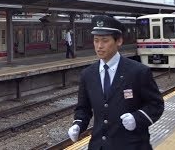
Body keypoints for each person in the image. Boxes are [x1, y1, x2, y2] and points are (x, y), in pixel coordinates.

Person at [67, 15, 164, 150]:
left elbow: (156, 104)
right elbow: (83, 108)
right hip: (99, 146)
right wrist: (78, 124)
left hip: (132, 145)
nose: (99, 46)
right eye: (96, 41)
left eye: (105, 41)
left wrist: (137, 118)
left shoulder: (138, 72)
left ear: (119, 41)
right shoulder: (88, 75)